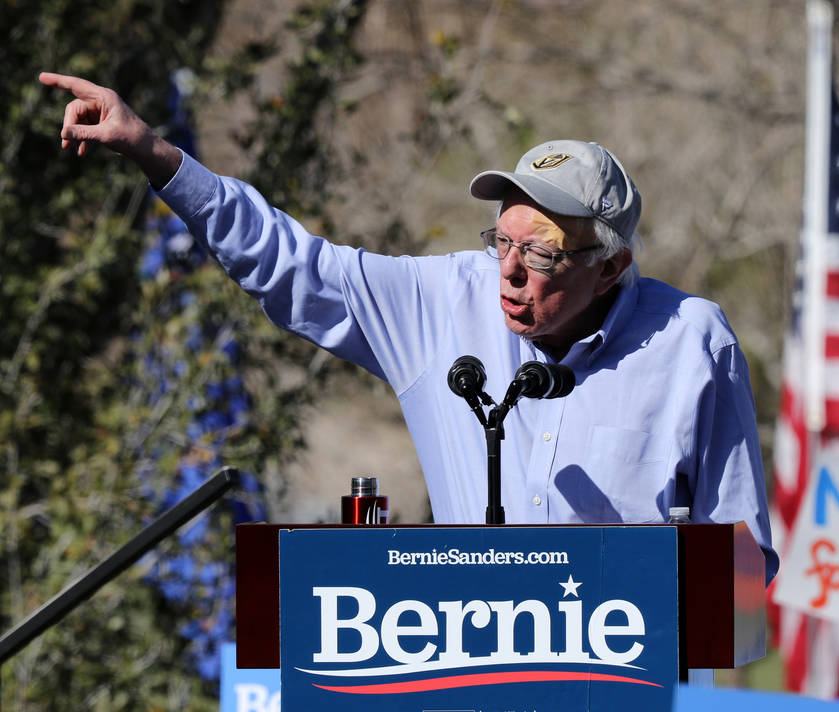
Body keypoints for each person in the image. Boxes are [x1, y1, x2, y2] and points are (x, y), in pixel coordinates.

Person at [40, 72, 779, 586]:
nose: (510, 272)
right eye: (503, 243)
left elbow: (747, 563)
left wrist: (669, 588)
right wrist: (158, 156)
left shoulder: (690, 343)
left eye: (542, 254)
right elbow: (290, 265)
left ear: (610, 270)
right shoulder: (440, 301)